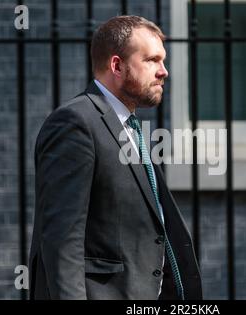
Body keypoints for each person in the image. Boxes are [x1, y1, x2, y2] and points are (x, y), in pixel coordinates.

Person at [29, 15, 202, 300]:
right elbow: (62, 240)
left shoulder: (128, 126)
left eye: (163, 60)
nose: (164, 71)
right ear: (117, 65)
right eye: (152, 60)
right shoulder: (75, 123)